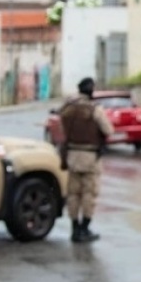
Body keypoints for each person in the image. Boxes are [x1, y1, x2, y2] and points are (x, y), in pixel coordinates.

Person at [59, 77, 113, 243]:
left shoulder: (67, 107)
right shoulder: (94, 109)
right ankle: (85, 228)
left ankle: (74, 228)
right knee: (89, 193)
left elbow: (62, 127)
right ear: (91, 90)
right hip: (90, 156)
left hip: (72, 155)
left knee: (73, 194)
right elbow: (109, 130)